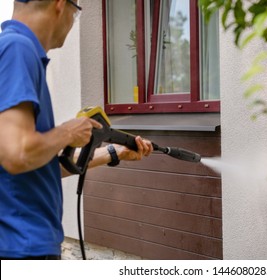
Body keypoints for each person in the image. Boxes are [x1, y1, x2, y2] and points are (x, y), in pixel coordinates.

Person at [0, 0, 153, 260]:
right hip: (21, 247)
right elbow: (16, 155)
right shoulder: (17, 49)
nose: (73, 21)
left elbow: (35, 164)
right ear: (61, 5)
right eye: (77, 11)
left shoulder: (18, 50)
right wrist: (68, 132)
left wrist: (113, 152)